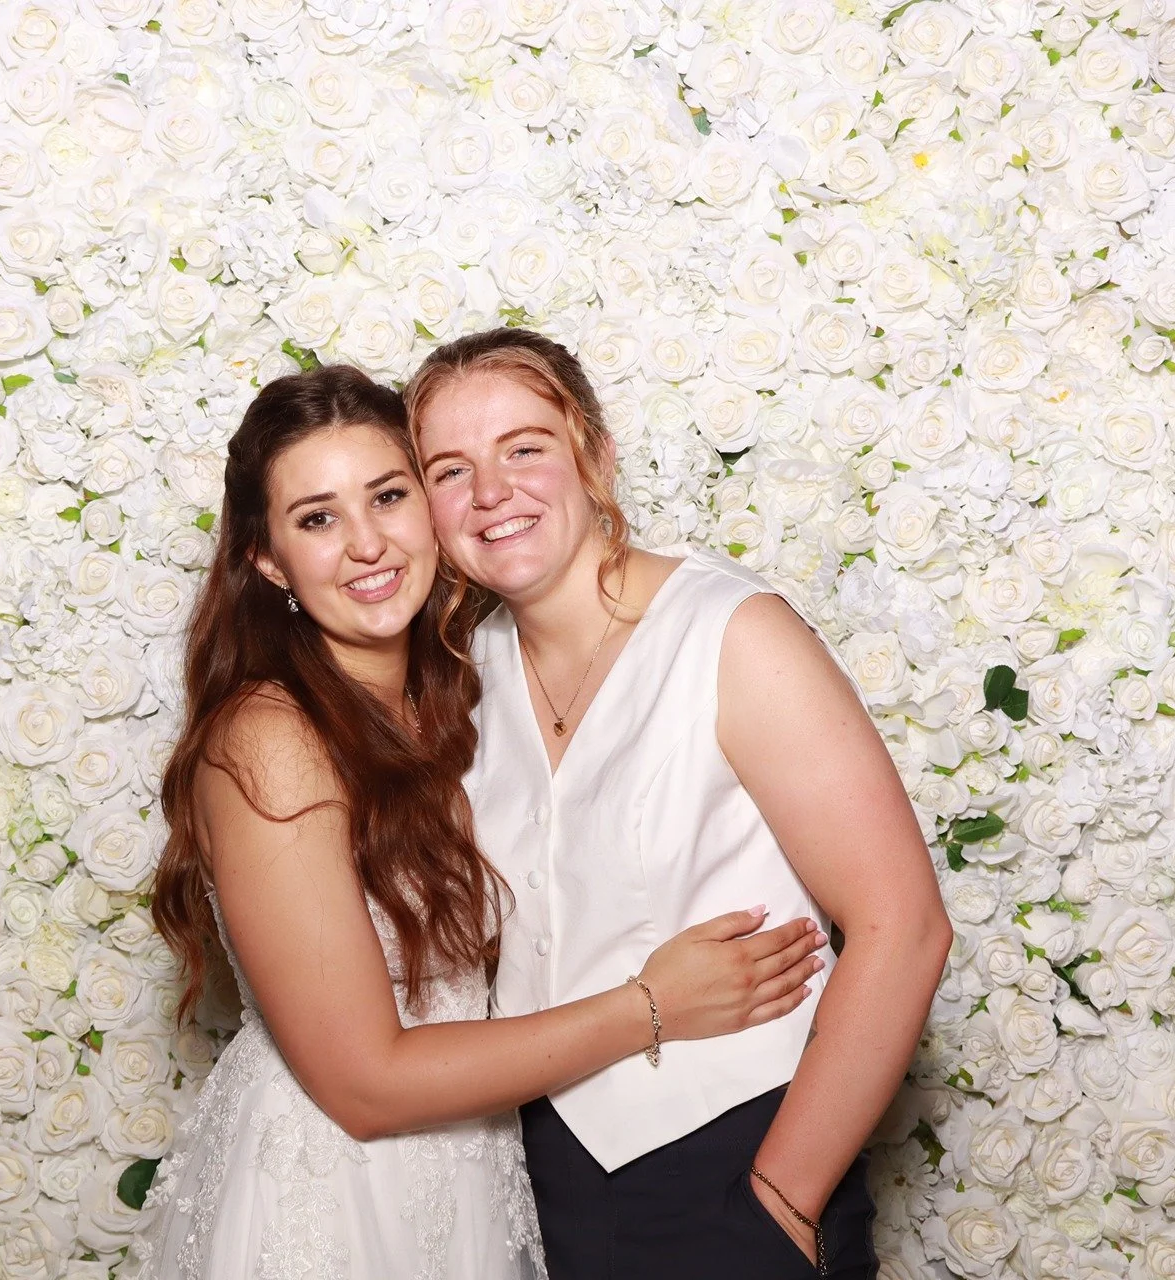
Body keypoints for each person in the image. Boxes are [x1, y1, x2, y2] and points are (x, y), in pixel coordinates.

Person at [139, 364, 831, 1279]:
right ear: (268, 561)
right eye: (317, 519)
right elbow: (363, 1084)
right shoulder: (272, 737)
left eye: (389, 496)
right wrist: (653, 1006)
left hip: (475, 1171)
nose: (365, 545)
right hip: (342, 1192)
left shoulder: (462, 692)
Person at [407, 328, 953, 1280]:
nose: (491, 492)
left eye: (524, 448)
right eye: (450, 469)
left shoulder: (732, 632)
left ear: (595, 452)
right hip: (537, 1180)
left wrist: (780, 1200)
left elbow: (903, 926)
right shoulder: (461, 679)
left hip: (737, 1156)